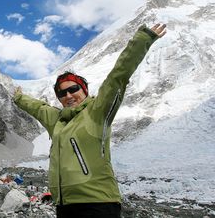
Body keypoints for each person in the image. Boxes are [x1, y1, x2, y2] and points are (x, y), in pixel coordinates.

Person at [13, 24, 167, 217]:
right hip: (65, 204)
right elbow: (38, 107)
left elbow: (117, 78)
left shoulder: (98, 111)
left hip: (98, 202)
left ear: (84, 90)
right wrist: (18, 97)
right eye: (61, 93)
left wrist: (143, 39)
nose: (68, 95)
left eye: (73, 89)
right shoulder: (57, 120)